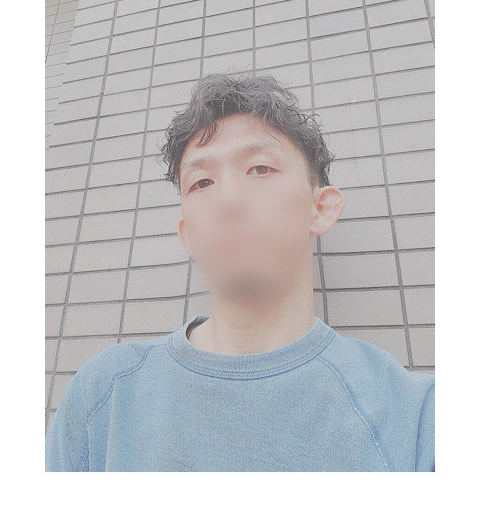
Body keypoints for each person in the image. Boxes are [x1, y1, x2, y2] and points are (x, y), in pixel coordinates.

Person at [45, 70, 434, 472]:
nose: (228, 200)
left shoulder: (417, 419)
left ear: (319, 208)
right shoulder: (103, 395)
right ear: (188, 235)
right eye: (202, 182)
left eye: (260, 169)